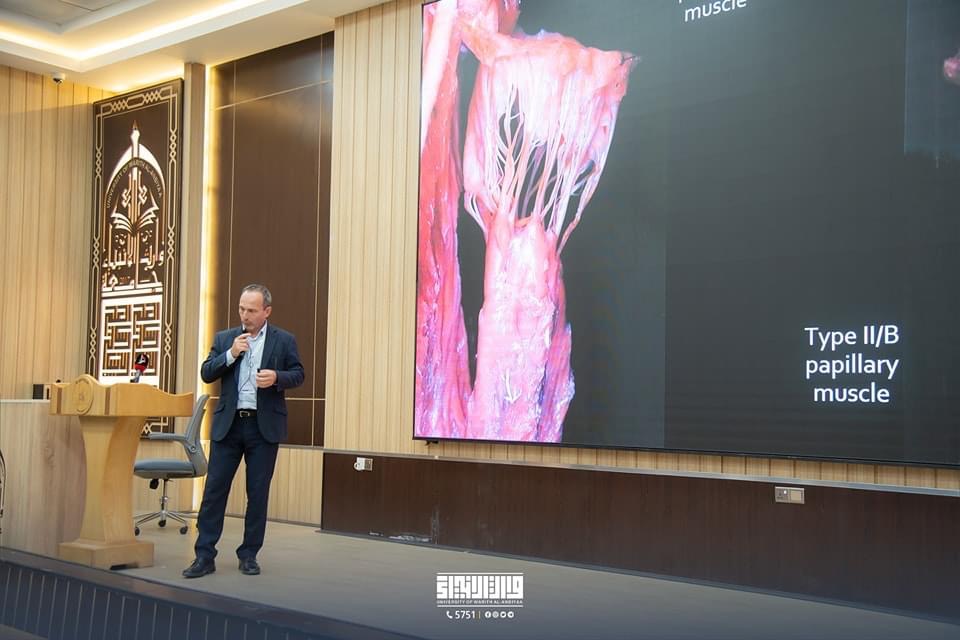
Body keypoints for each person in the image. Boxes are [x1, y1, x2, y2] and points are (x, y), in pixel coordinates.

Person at [182, 284, 304, 578]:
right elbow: (207, 372)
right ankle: (204, 556)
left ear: (266, 311)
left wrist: (277, 377)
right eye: (241, 309)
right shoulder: (225, 338)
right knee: (214, 491)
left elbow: (298, 374)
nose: (245, 315)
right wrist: (230, 354)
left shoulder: (284, 340)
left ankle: (249, 555)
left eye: (251, 310)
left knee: (257, 494)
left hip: (263, 428)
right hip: (229, 426)